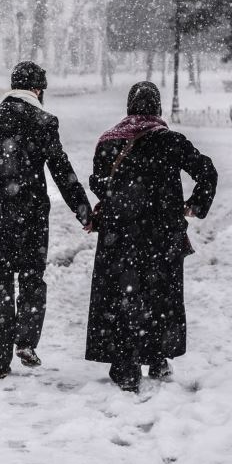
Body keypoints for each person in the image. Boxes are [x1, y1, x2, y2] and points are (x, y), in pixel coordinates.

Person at [0, 61, 91, 379]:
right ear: (38, 89)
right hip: (31, 217)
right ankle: (26, 341)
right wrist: (83, 210)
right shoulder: (43, 120)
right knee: (32, 280)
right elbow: (61, 169)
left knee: (0, 286)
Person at [86, 81, 217, 393]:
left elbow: (98, 183)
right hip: (162, 234)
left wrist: (122, 198)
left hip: (121, 235)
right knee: (160, 296)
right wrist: (193, 206)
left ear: (130, 106)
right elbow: (207, 172)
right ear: (158, 107)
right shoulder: (170, 140)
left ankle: (125, 363)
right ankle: (156, 357)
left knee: (123, 296)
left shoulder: (109, 141)